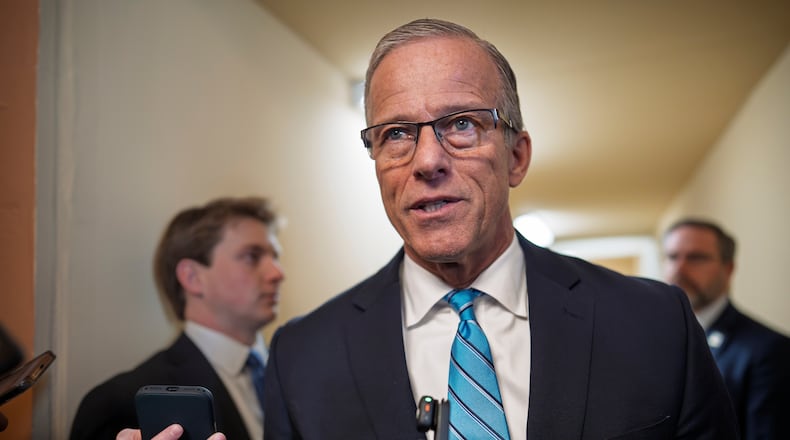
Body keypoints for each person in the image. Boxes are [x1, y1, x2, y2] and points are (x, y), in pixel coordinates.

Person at [128, 18, 737, 440]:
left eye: (463, 124)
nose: (427, 160)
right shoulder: (304, 357)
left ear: (517, 156)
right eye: (396, 133)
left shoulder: (656, 326)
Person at [71, 196, 284, 440]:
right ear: (192, 277)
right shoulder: (118, 405)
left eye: (275, 256)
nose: (277, 273)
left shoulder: (301, 374)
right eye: (252, 256)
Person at [663, 218, 790, 439]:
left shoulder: (768, 351)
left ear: (728, 268)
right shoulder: (655, 340)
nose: (679, 268)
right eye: (672, 257)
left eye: (696, 258)